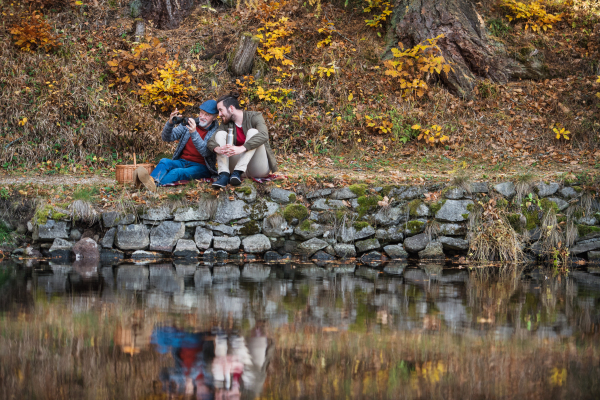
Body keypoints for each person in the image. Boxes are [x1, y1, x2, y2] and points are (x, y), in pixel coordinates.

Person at [134, 100, 220, 191]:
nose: (202, 117)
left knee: (177, 172)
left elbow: (205, 151)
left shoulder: (216, 132)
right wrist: (170, 123)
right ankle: (151, 182)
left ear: (214, 117)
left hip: (201, 167)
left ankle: (151, 186)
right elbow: (167, 138)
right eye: (201, 113)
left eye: (207, 115)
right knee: (164, 161)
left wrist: (194, 133)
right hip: (183, 161)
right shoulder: (190, 123)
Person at [207, 92, 278, 189]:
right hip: (234, 172)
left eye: (220, 110)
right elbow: (211, 141)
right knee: (220, 134)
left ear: (231, 108)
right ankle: (224, 175)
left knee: (253, 132)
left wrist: (243, 148)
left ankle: (238, 171)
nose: (219, 114)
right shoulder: (226, 123)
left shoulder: (254, 116)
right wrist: (217, 149)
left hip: (257, 167)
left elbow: (264, 135)